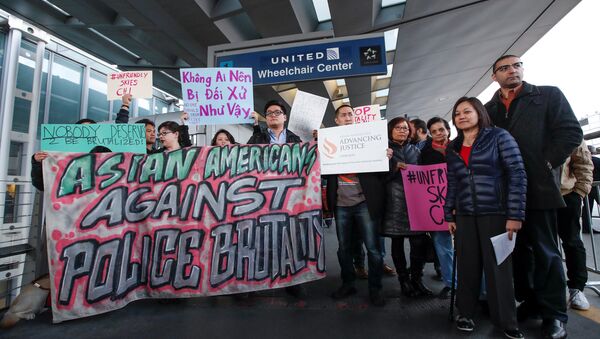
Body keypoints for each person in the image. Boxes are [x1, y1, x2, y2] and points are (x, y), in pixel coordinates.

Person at [484, 55, 582, 339]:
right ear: (494, 77)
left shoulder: (548, 95)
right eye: (504, 68)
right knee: (517, 253)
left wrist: (546, 164)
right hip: (503, 193)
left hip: (538, 189)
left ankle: (554, 314)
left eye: (517, 65)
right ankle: (532, 302)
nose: (512, 70)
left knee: (547, 252)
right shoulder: (488, 108)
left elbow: (570, 132)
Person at [445, 97, 526, 338]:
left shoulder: (499, 136)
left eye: (467, 111)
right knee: (467, 266)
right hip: (465, 215)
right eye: (457, 113)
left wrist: (514, 215)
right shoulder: (453, 147)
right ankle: (465, 313)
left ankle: (507, 322)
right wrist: (448, 212)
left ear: (479, 112)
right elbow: (452, 183)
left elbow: (517, 174)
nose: (461, 116)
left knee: (498, 268)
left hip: (496, 214)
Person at [326, 104, 390, 307]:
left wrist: (387, 156)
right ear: (336, 121)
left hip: (364, 202)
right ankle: (348, 283)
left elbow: (384, 173)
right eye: (343, 115)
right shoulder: (329, 141)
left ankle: (375, 289)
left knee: (373, 249)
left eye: (350, 114)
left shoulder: (369, 139)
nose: (347, 117)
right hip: (341, 204)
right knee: (343, 248)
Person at [247, 100, 305, 299]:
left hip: (289, 196)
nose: (273, 115)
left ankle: (291, 278)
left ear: (285, 117)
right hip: (263, 196)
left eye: (277, 112)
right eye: (269, 112)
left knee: (290, 237)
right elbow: (244, 159)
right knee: (263, 236)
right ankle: (264, 275)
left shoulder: (295, 139)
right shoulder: (257, 138)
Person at [381, 117, 432, 298]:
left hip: (415, 203)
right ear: (390, 130)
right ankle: (403, 281)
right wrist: (393, 166)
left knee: (418, 243)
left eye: (405, 128)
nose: (402, 131)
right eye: (398, 128)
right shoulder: (383, 150)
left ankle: (417, 279)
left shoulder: (415, 151)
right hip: (394, 202)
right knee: (397, 242)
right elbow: (378, 178)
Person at [419, 116, 454, 299]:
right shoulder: (424, 152)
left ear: (448, 129)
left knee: (468, 247)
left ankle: (473, 285)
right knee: (443, 247)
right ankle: (451, 283)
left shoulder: (458, 147)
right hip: (437, 206)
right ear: (430, 135)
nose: (438, 134)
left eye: (441, 130)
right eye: (434, 132)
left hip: (461, 204)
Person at [557, 141, 593, 311]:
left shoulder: (569, 128)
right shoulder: (530, 125)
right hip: (538, 197)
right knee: (537, 244)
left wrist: (579, 192)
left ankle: (577, 288)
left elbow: (584, 163)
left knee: (572, 242)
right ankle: (543, 290)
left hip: (567, 195)